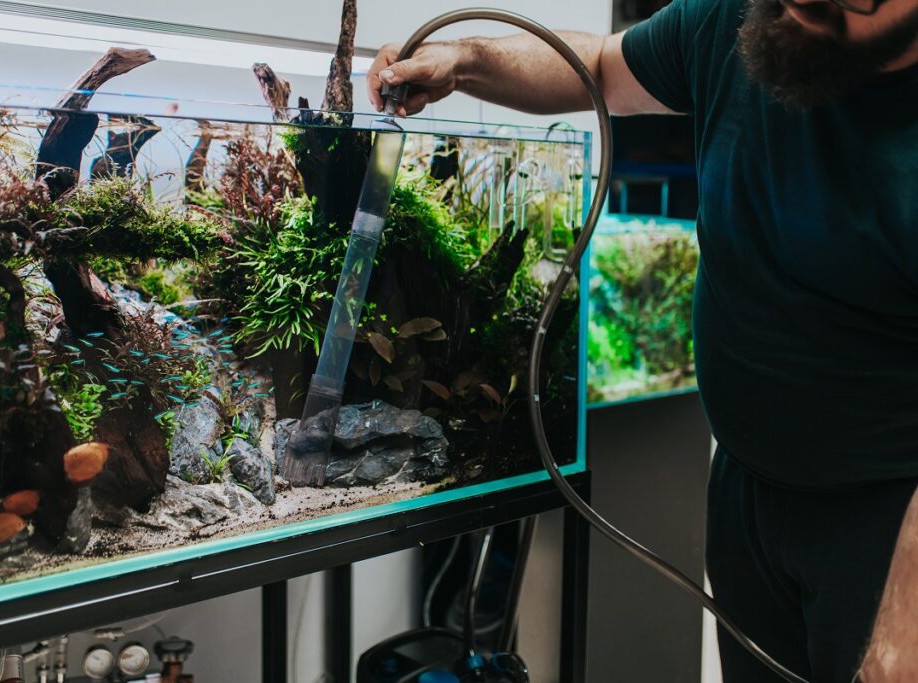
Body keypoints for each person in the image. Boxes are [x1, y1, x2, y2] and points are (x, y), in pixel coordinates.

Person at [367, 0, 918, 681]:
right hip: (749, 490)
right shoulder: (745, 19)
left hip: (889, 524)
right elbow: (596, 65)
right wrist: (465, 62)